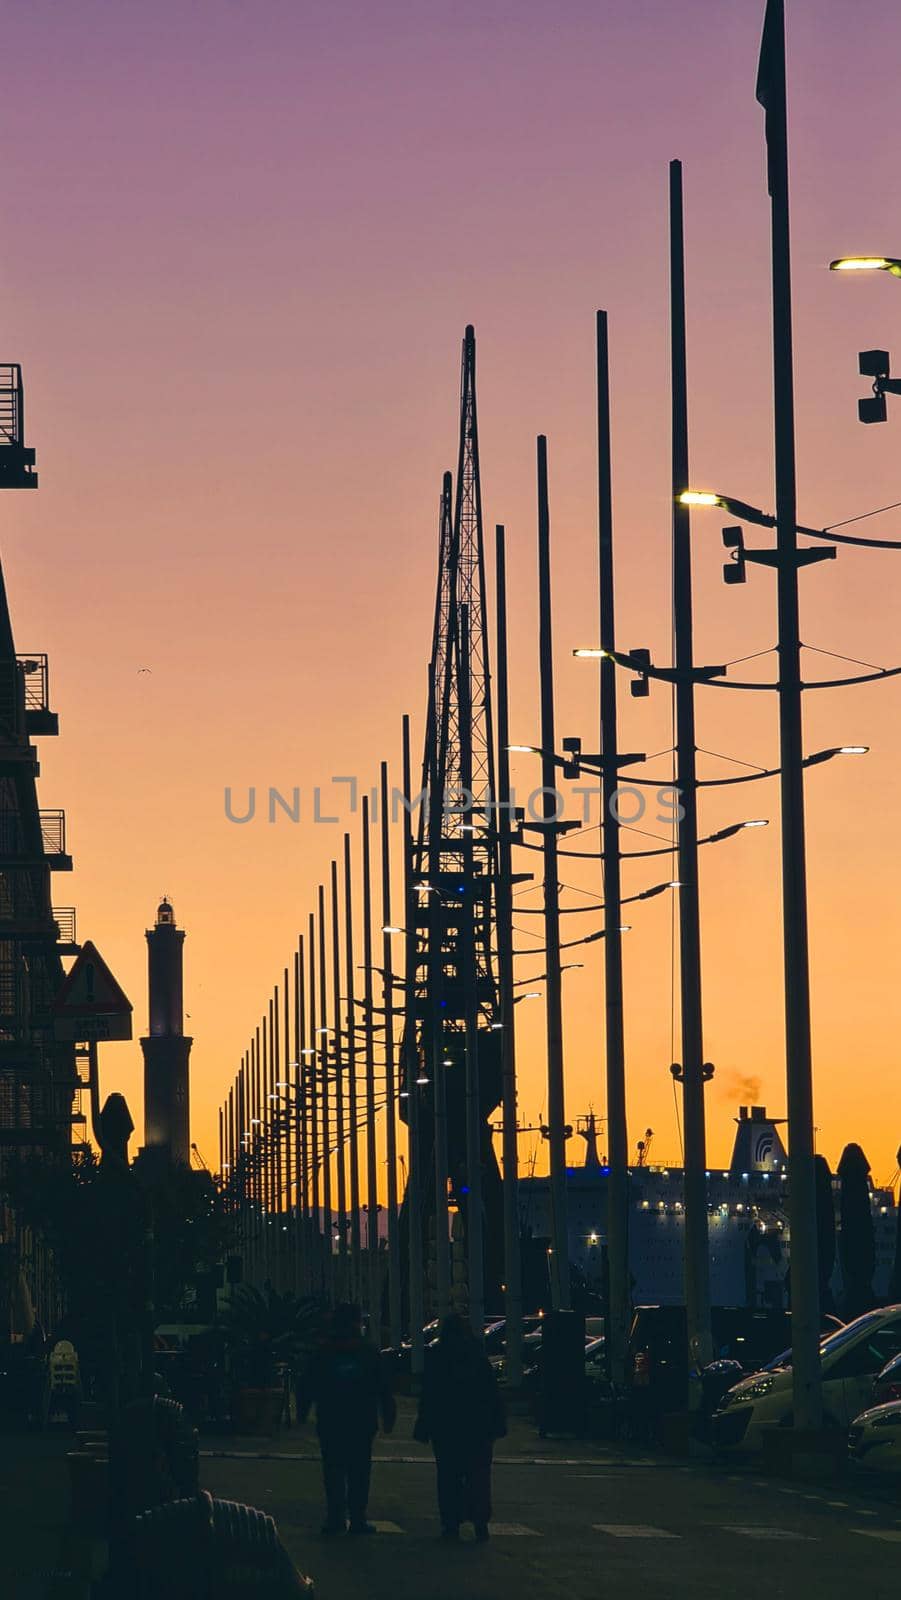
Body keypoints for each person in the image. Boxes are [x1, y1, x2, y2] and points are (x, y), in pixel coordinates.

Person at [299, 1302, 396, 1536]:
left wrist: (302, 1412)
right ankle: (358, 1518)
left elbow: (308, 1385)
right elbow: (383, 1387)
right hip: (361, 1422)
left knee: (333, 1471)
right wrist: (388, 1417)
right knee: (359, 1472)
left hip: (331, 1420)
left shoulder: (324, 1351)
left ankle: (335, 1518)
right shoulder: (368, 1351)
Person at [414, 1314, 507, 1542]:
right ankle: (480, 1521)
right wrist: (497, 1423)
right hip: (478, 1427)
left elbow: (430, 1395)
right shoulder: (477, 1356)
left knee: (448, 1477)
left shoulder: (438, 1356)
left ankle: (451, 1523)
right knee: (479, 1477)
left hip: (446, 1428)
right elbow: (491, 1393)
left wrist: (424, 1425)